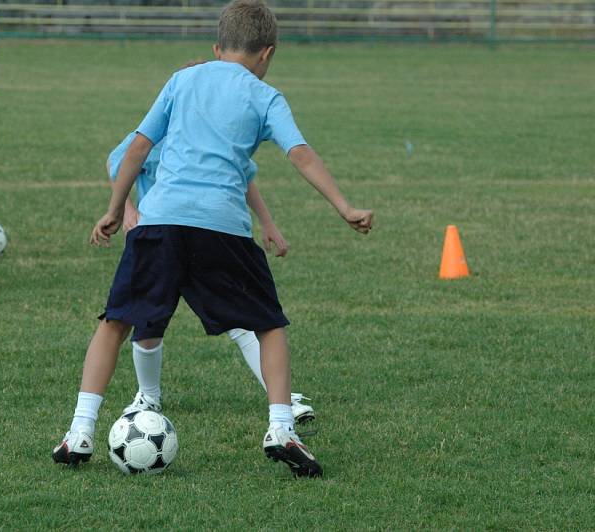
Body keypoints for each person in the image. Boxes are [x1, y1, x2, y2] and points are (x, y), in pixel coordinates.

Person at [53, 0, 373, 478]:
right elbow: (300, 155)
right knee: (268, 325)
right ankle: (281, 428)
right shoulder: (266, 96)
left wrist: (116, 209)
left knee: (115, 322)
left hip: (160, 223)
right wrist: (345, 206)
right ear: (268, 53)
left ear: (217, 47)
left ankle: (79, 432)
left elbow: (138, 147)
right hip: (221, 228)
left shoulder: (184, 79)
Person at [106, 131, 315, 424]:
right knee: (147, 323)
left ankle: (282, 398)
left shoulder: (215, 130)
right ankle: (148, 396)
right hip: (161, 239)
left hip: (206, 235)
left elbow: (244, 178)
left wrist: (268, 222)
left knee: (244, 320)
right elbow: (117, 164)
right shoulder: (157, 133)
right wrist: (127, 211)